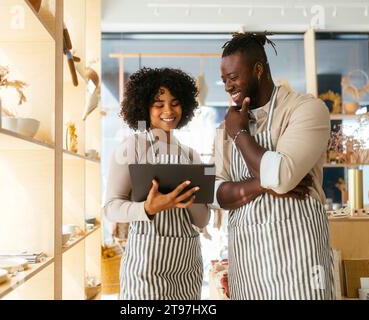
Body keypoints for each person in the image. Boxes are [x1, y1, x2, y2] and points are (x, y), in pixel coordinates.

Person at [213, 32, 334, 300]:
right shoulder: (224, 127)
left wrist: (239, 135)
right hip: (249, 264)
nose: (228, 87)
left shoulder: (306, 109)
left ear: (258, 70)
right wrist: (265, 183)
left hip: (300, 262)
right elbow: (215, 193)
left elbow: (280, 176)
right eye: (224, 80)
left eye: (233, 78)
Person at [103, 67, 210, 300]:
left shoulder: (191, 155)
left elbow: (203, 220)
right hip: (146, 269)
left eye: (175, 102)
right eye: (158, 104)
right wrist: (148, 208)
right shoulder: (132, 148)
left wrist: (186, 199)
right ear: (144, 107)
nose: (168, 111)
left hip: (187, 268)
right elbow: (111, 207)